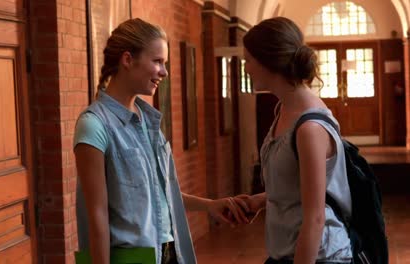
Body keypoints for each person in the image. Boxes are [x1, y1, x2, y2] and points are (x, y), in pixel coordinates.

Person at [73, 18, 248, 264]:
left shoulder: (148, 119)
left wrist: (209, 205)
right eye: (157, 62)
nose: (164, 72)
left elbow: (157, 193)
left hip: (169, 253)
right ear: (127, 60)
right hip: (130, 258)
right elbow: (97, 216)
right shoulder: (93, 125)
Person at [236, 17, 353, 263]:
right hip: (285, 253)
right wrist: (262, 200)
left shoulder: (309, 128)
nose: (245, 67)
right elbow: (299, 187)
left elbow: (315, 218)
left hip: (320, 256)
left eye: (248, 60)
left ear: (268, 61)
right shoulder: (283, 108)